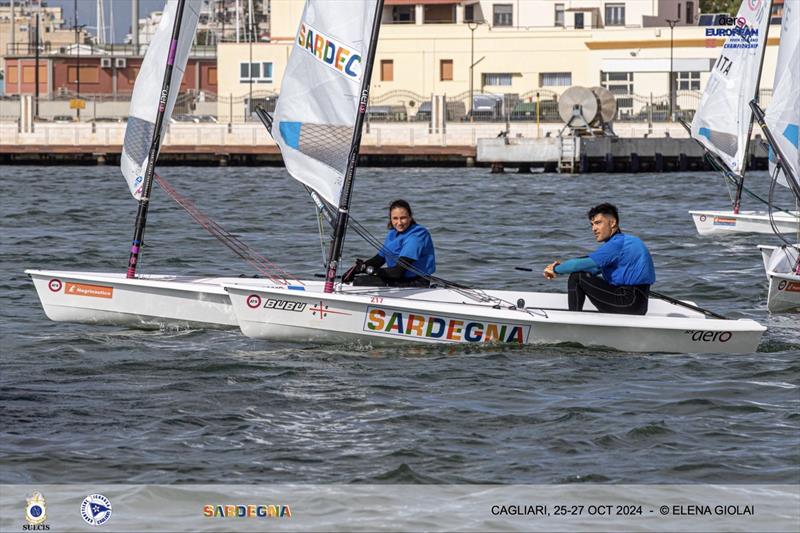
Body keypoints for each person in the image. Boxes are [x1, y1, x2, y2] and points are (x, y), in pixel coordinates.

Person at [543, 203, 655, 315]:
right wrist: (563, 267)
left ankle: (573, 321)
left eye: (598, 223)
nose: (594, 229)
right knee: (579, 273)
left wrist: (556, 269)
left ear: (612, 223)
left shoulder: (617, 245)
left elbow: (576, 266)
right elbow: (591, 268)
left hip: (627, 302)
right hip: (638, 304)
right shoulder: (626, 241)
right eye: (592, 224)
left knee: (577, 277)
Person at [343, 199, 436, 288]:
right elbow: (379, 259)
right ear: (390, 219)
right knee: (355, 279)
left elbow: (397, 272)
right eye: (395, 218)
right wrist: (356, 269)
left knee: (361, 282)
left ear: (410, 217)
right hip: (398, 278)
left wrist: (368, 270)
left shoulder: (416, 236)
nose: (399, 223)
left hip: (416, 282)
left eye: (403, 218)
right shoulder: (393, 233)